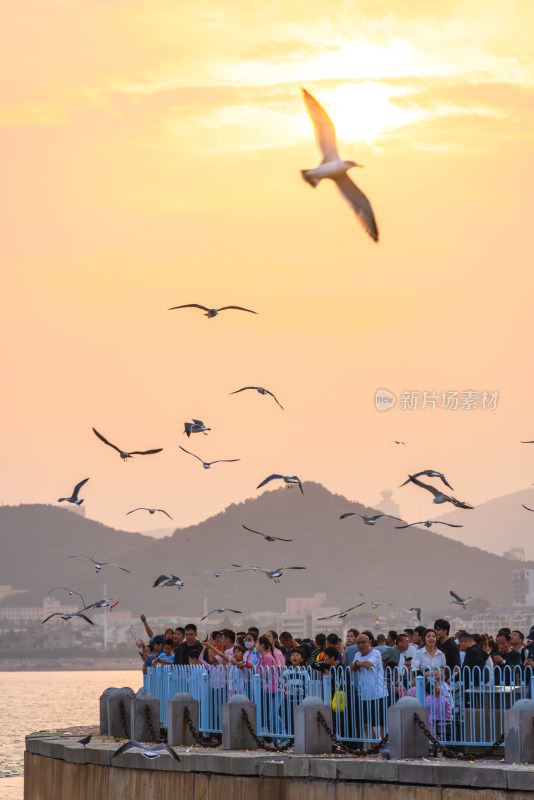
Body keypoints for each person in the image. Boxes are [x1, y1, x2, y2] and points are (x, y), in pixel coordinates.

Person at [350, 633, 387, 736]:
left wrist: (357, 663)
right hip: (364, 694)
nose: (361, 645)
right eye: (358, 643)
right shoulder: (357, 655)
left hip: (379, 693)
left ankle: (383, 743)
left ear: (370, 642)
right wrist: (357, 663)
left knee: (382, 723)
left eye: (364, 642)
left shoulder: (376, 653)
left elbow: (368, 664)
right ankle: (373, 744)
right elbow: (351, 667)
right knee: (366, 723)